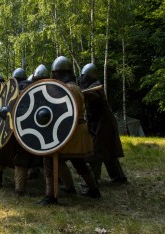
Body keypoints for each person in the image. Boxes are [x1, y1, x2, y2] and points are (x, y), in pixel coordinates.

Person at [36, 57, 101, 205]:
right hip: (78, 131)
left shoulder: (66, 89)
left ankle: (50, 196)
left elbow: (60, 113)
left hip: (68, 132)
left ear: (57, 73)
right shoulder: (75, 87)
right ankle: (93, 189)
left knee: (49, 160)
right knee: (79, 163)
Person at [79, 63, 127, 183]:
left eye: (84, 76)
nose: (82, 78)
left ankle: (92, 181)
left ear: (90, 76)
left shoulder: (96, 86)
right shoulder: (91, 86)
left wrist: (80, 93)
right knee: (108, 152)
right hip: (99, 123)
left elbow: (91, 94)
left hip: (105, 123)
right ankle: (119, 177)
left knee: (95, 152)